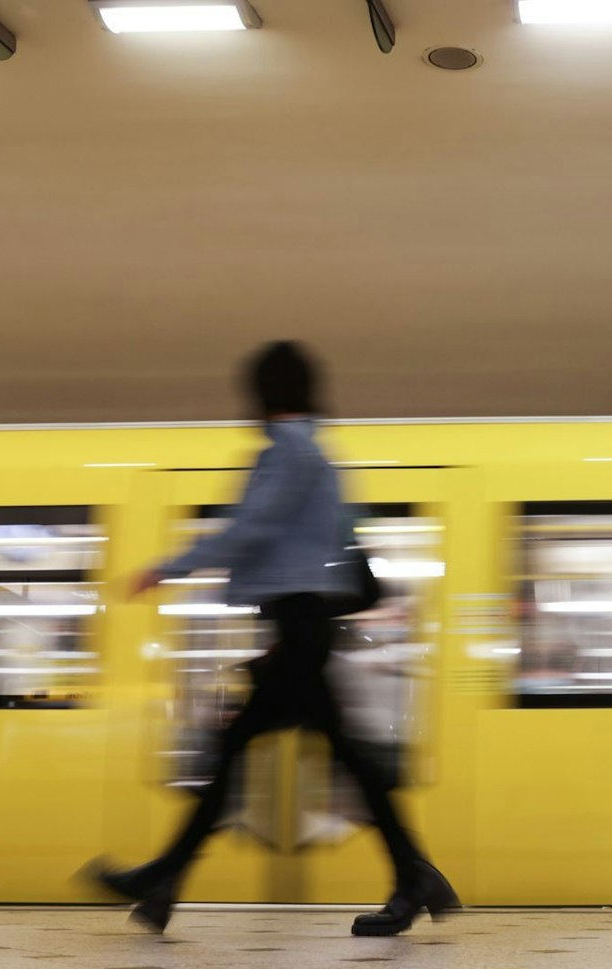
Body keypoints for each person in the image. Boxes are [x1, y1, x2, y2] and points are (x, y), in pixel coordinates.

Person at [88, 341, 458, 935]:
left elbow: (250, 532)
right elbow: (327, 544)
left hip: (301, 625)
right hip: (299, 626)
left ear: (262, 394)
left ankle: (163, 881)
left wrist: (166, 569)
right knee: (322, 757)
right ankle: (412, 876)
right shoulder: (318, 455)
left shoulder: (290, 453)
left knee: (252, 752)